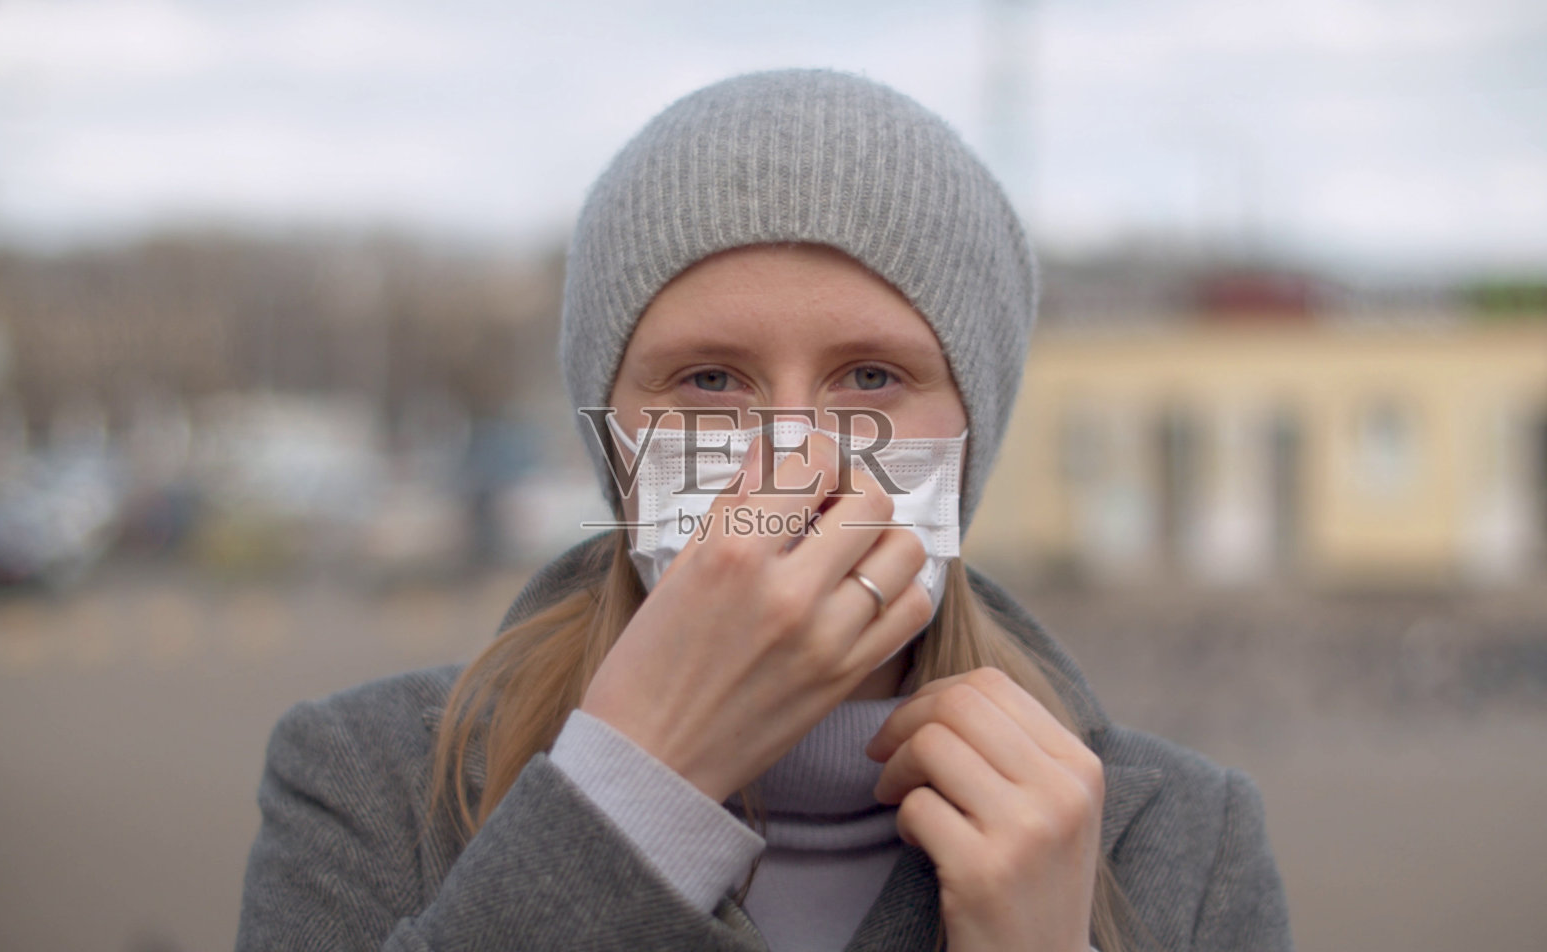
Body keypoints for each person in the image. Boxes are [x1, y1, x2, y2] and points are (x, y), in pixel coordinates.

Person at [236, 69, 1292, 952]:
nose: (793, 451)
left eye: (872, 375)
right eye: (708, 380)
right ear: (612, 437)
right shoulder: (373, 783)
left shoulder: (1175, 842)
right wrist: (625, 799)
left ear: (972, 434)